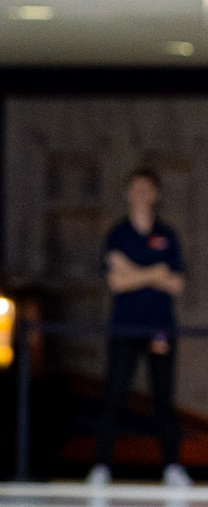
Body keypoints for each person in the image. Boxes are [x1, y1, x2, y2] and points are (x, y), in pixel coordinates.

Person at [90, 168, 190, 488]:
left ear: (156, 194)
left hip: (160, 327)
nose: (141, 194)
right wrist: (154, 272)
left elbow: (175, 283)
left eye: (147, 188)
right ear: (127, 193)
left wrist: (135, 271)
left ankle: (172, 466)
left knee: (163, 397)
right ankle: (102, 465)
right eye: (135, 188)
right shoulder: (117, 234)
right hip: (125, 327)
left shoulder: (167, 235)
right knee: (115, 394)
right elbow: (116, 282)